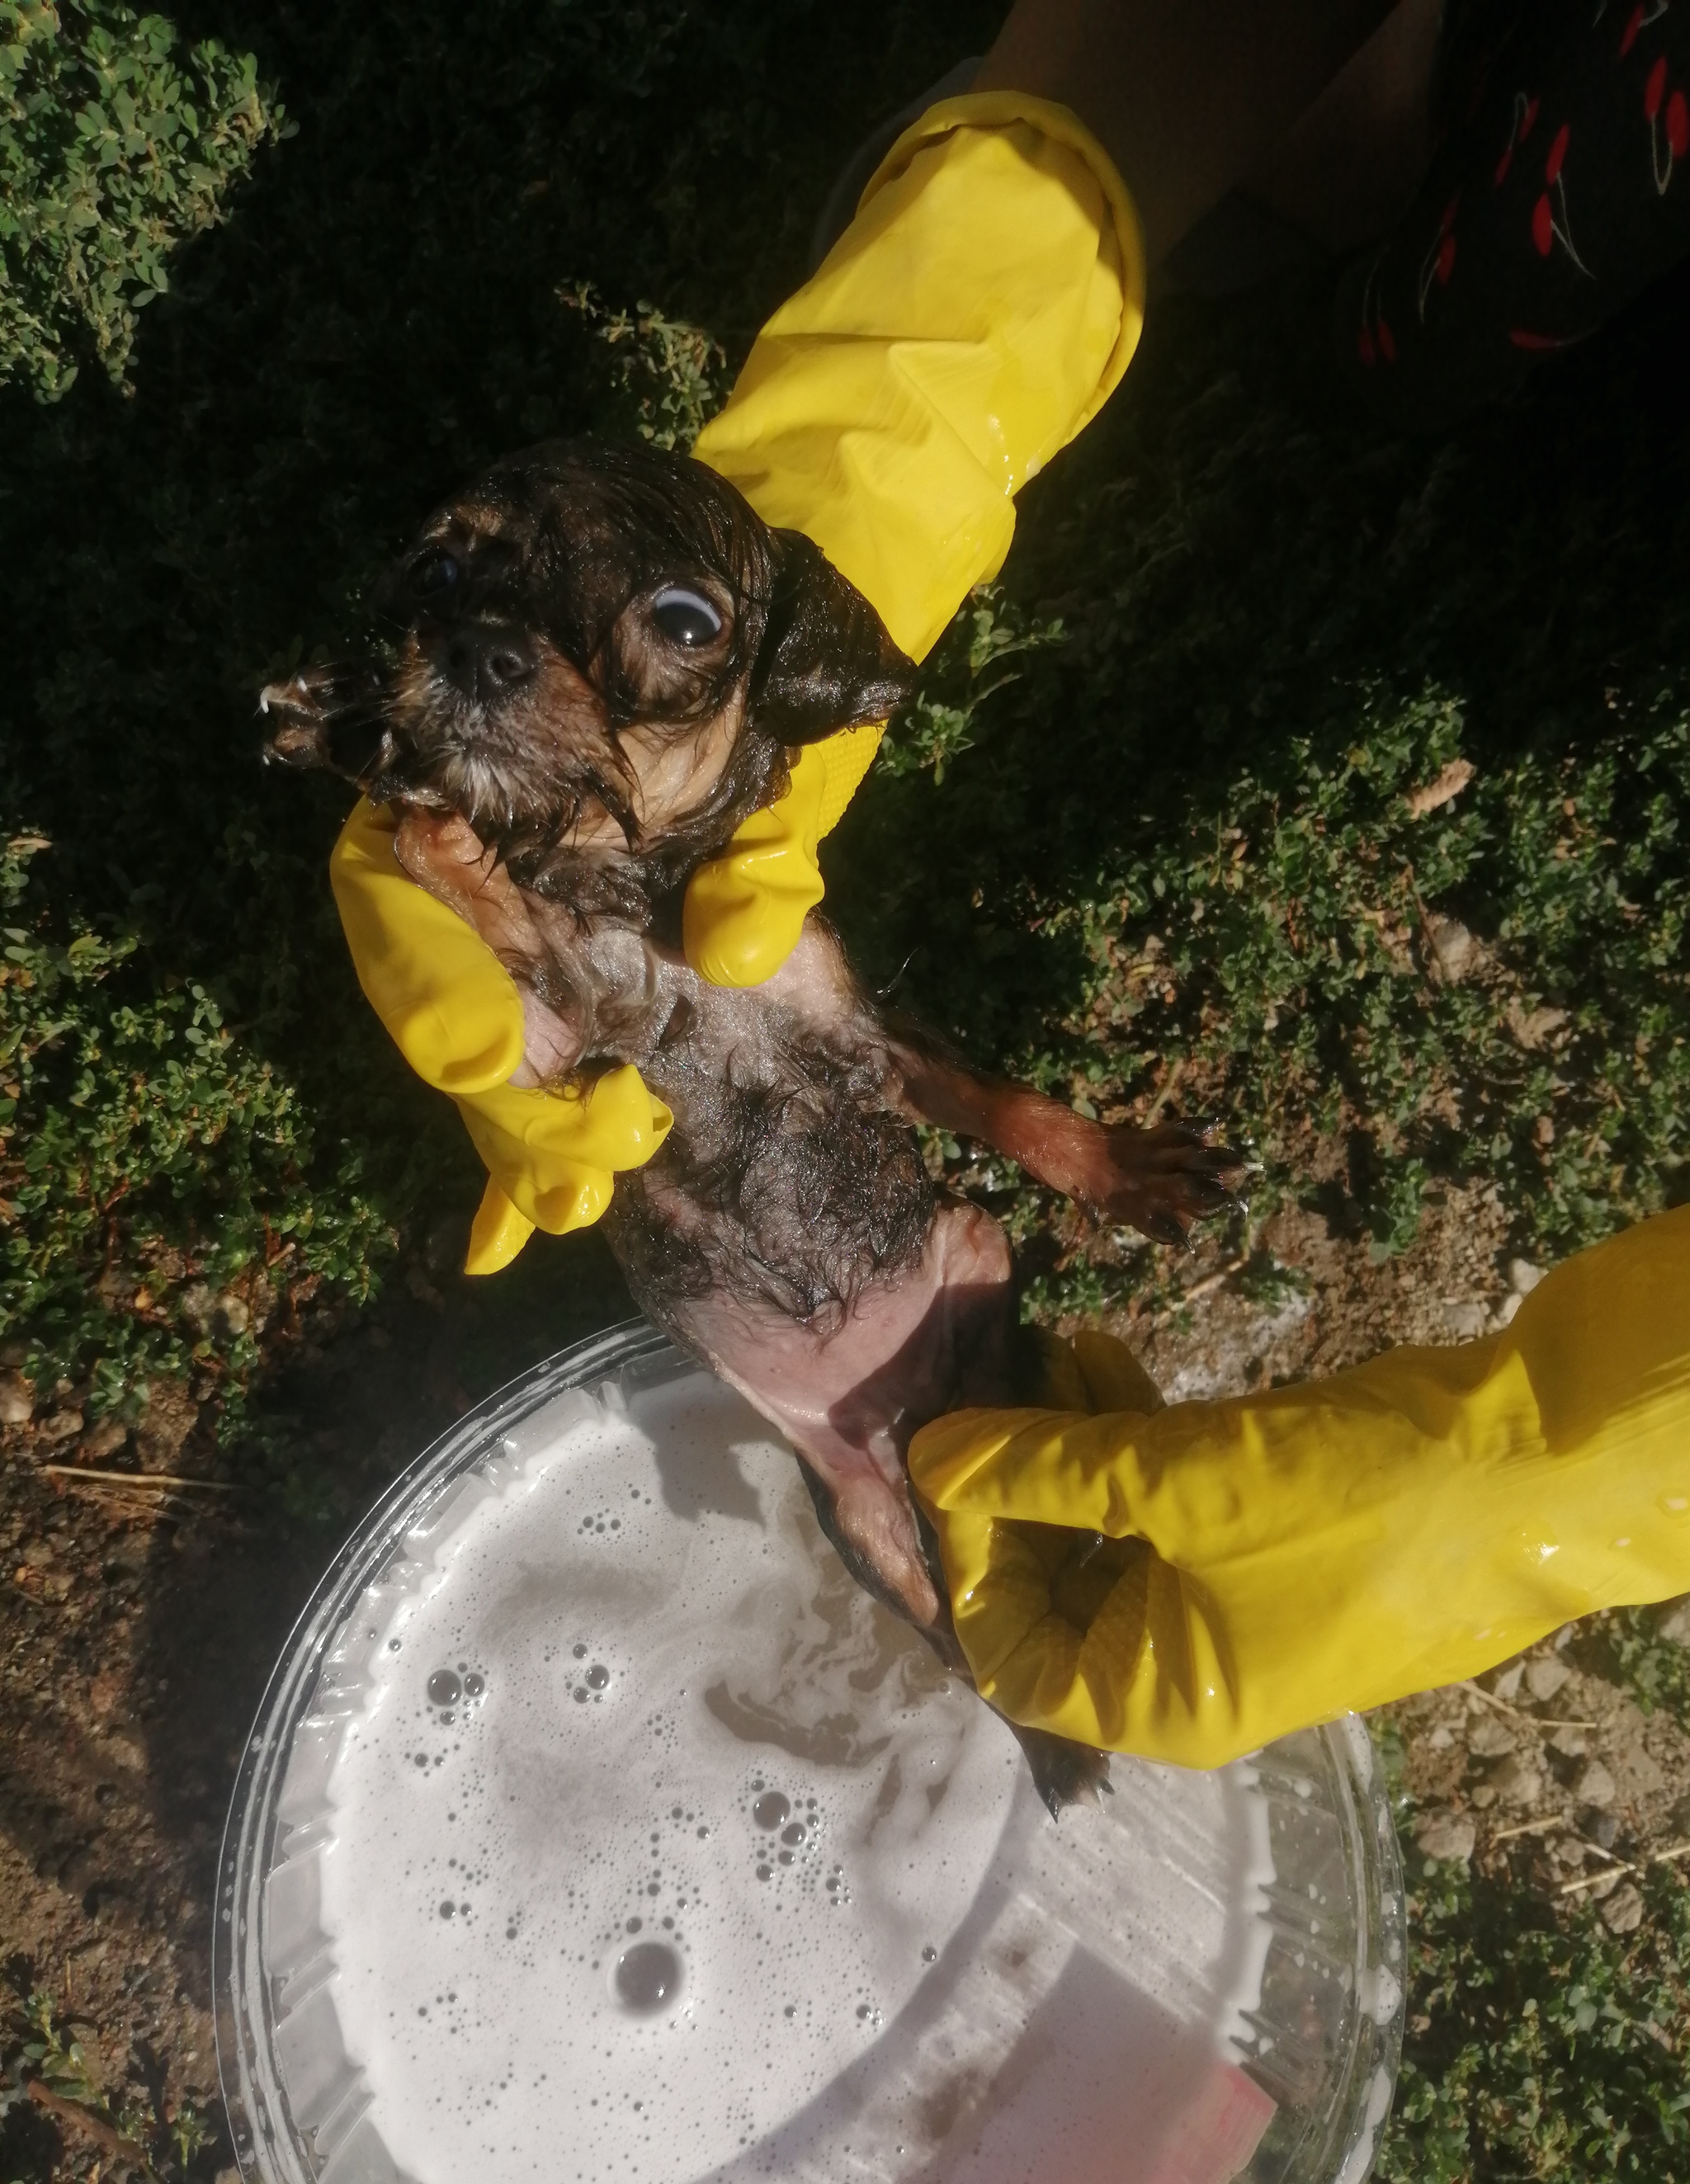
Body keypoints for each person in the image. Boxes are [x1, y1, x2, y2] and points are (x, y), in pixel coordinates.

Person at [329, 1, 1690, 1765]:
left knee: (950, 1572)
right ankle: (1358, 135)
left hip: (830, 1358)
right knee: (1400, 314)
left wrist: (1565, 1468)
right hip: (902, 1301)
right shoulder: (721, 880)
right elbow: (845, 1050)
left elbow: (774, 1041)